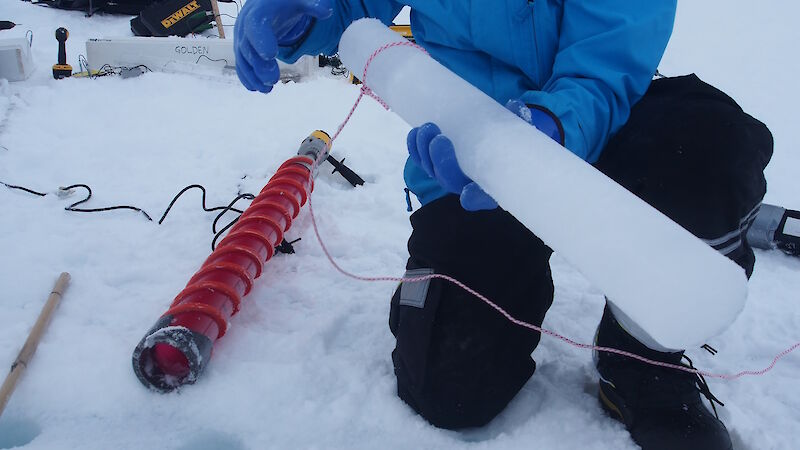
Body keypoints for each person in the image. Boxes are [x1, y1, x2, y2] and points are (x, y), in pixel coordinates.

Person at [233, 1, 773, 449]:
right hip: (465, 158)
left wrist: (547, 131)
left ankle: (639, 357)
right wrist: (297, 15)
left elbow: (608, 60)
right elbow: (350, 8)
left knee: (706, 146)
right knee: (450, 391)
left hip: (596, 126)